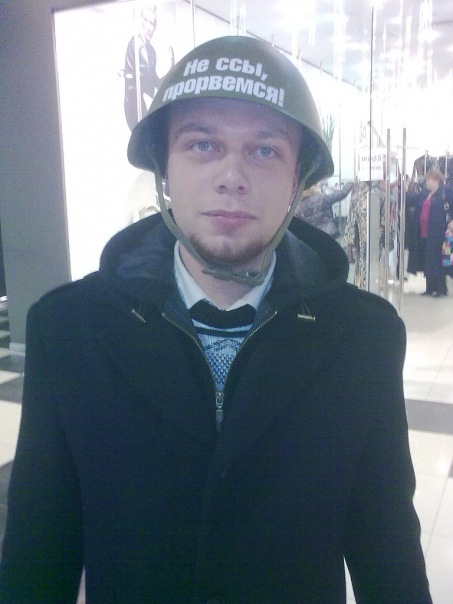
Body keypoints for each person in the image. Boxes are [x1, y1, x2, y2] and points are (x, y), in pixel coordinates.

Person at [0, 36, 432, 603]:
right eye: (202, 144)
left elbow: (387, 546)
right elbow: (39, 551)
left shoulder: (364, 336)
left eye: (265, 150)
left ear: (299, 180)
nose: (232, 176)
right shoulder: (68, 329)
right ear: (164, 169)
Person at [407, 169, 453, 296]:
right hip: (424, 232)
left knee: (437, 260)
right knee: (427, 260)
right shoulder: (425, 193)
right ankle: (429, 288)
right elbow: (411, 200)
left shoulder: (445, 192)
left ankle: (440, 288)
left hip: (439, 233)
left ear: (436, 180)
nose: (426, 182)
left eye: (428, 180)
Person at [122, 5, 161, 131]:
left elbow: (154, 78)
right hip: (135, 104)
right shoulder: (135, 44)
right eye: (146, 21)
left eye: (152, 23)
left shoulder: (152, 51)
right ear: (141, 20)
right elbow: (136, 79)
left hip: (147, 106)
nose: (149, 28)